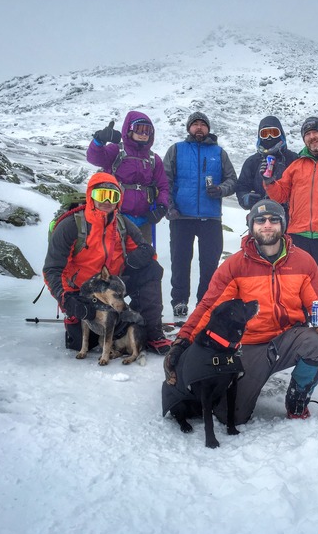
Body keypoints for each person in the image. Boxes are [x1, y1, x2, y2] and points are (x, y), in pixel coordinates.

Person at [163, 199, 318, 423]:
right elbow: (209, 306)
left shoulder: (304, 262)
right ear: (251, 225)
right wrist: (182, 341)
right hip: (249, 345)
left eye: (274, 219)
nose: (267, 224)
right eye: (260, 220)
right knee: (232, 417)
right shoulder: (235, 265)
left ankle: (297, 400)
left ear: (283, 225)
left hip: (287, 339)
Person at [43, 172, 172, 355]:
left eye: (113, 196)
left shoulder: (121, 223)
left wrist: (143, 254)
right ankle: (76, 319)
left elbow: (145, 250)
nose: (107, 201)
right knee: (85, 342)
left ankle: (150, 330)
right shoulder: (71, 225)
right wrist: (66, 300)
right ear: (90, 196)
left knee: (151, 269)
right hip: (81, 291)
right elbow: (52, 269)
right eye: (101, 195)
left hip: (113, 284)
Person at [264, 116, 318, 316]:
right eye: (308, 134)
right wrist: (269, 182)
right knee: (298, 282)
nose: (313, 137)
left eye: (316, 133)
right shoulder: (296, 166)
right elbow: (280, 195)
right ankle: (302, 324)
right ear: (304, 139)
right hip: (298, 235)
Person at [163, 112, 238, 317]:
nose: (198, 128)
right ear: (189, 128)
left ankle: (205, 302)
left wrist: (221, 189)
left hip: (210, 218)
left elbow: (232, 180)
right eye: (194, 124)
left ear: (208, 129)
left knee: (209, 263)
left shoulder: (219, 152)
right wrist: (170, 206)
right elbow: (164, 181)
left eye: (202, 125)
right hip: (181, 217)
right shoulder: (176, 150)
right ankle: (179, 301)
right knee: (180, 261)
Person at [86, 111, 169, 246]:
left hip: (144, 221)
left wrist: (161, 207)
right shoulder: (116, 151)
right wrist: (99, 140)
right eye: (139, 129)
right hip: (115, 218)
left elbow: (163, 186)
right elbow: (94, 158)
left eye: (147, 131)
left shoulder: (154, 159)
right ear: (129, 129)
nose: (143, 134)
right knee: (114, 260)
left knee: (143, 260)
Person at [235, 115, 299, 211]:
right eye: (265, 134)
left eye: (274, 133)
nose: (269, 137)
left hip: (289, 215)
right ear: (259, 137)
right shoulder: (252, 162)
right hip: (260, 214)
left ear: (281, 134)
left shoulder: (292, 159)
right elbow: (242, 187)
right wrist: (245, 199)